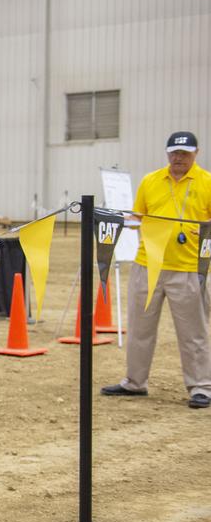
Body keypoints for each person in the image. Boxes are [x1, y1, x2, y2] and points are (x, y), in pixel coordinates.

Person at [101, 131, 211, 409]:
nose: (178, 158)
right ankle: (135, 382)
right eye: (174, 153)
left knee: (193, 332)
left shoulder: (207, 183)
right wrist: (109, 218)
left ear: (195, 154)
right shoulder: (150, 181)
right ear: (167, 154)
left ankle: (201, 387)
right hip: (146, 266)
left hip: (187, 268)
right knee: (140, 328)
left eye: (184, 153)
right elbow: (137, 216)